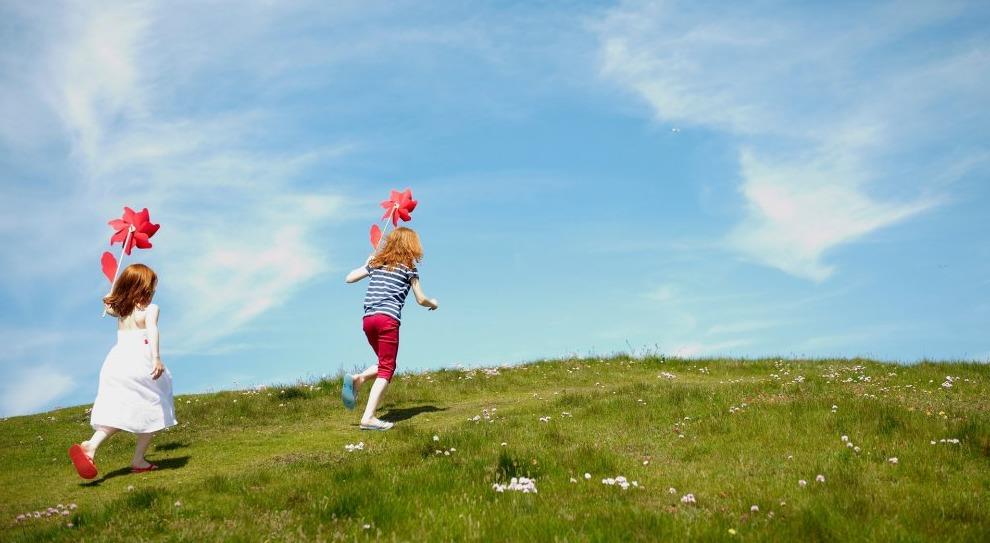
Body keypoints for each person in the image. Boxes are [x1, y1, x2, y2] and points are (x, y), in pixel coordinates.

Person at [69, 263, 176, 479]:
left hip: (117, 363)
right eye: (150, 286)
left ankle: (91, 446)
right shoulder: (150, 309)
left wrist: (110, 296)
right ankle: (138, 459)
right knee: (156, 407)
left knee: (120, 411)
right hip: (140, 362)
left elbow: (108, 306)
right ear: (142, 287)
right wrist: (156, 358)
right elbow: (152, 330)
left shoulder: (120, 310)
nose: (153, 290)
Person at [341, 227, 438, 430]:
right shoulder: (409, 267)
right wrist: (433, 303)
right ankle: (368, 418)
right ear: (412, 245)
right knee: (387, 368)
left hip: (368, 320)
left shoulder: (377, 263)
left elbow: (349, 278)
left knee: (386, 362)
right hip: (387, 320)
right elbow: (421, 299)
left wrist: (365, 264)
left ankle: (359, 379)